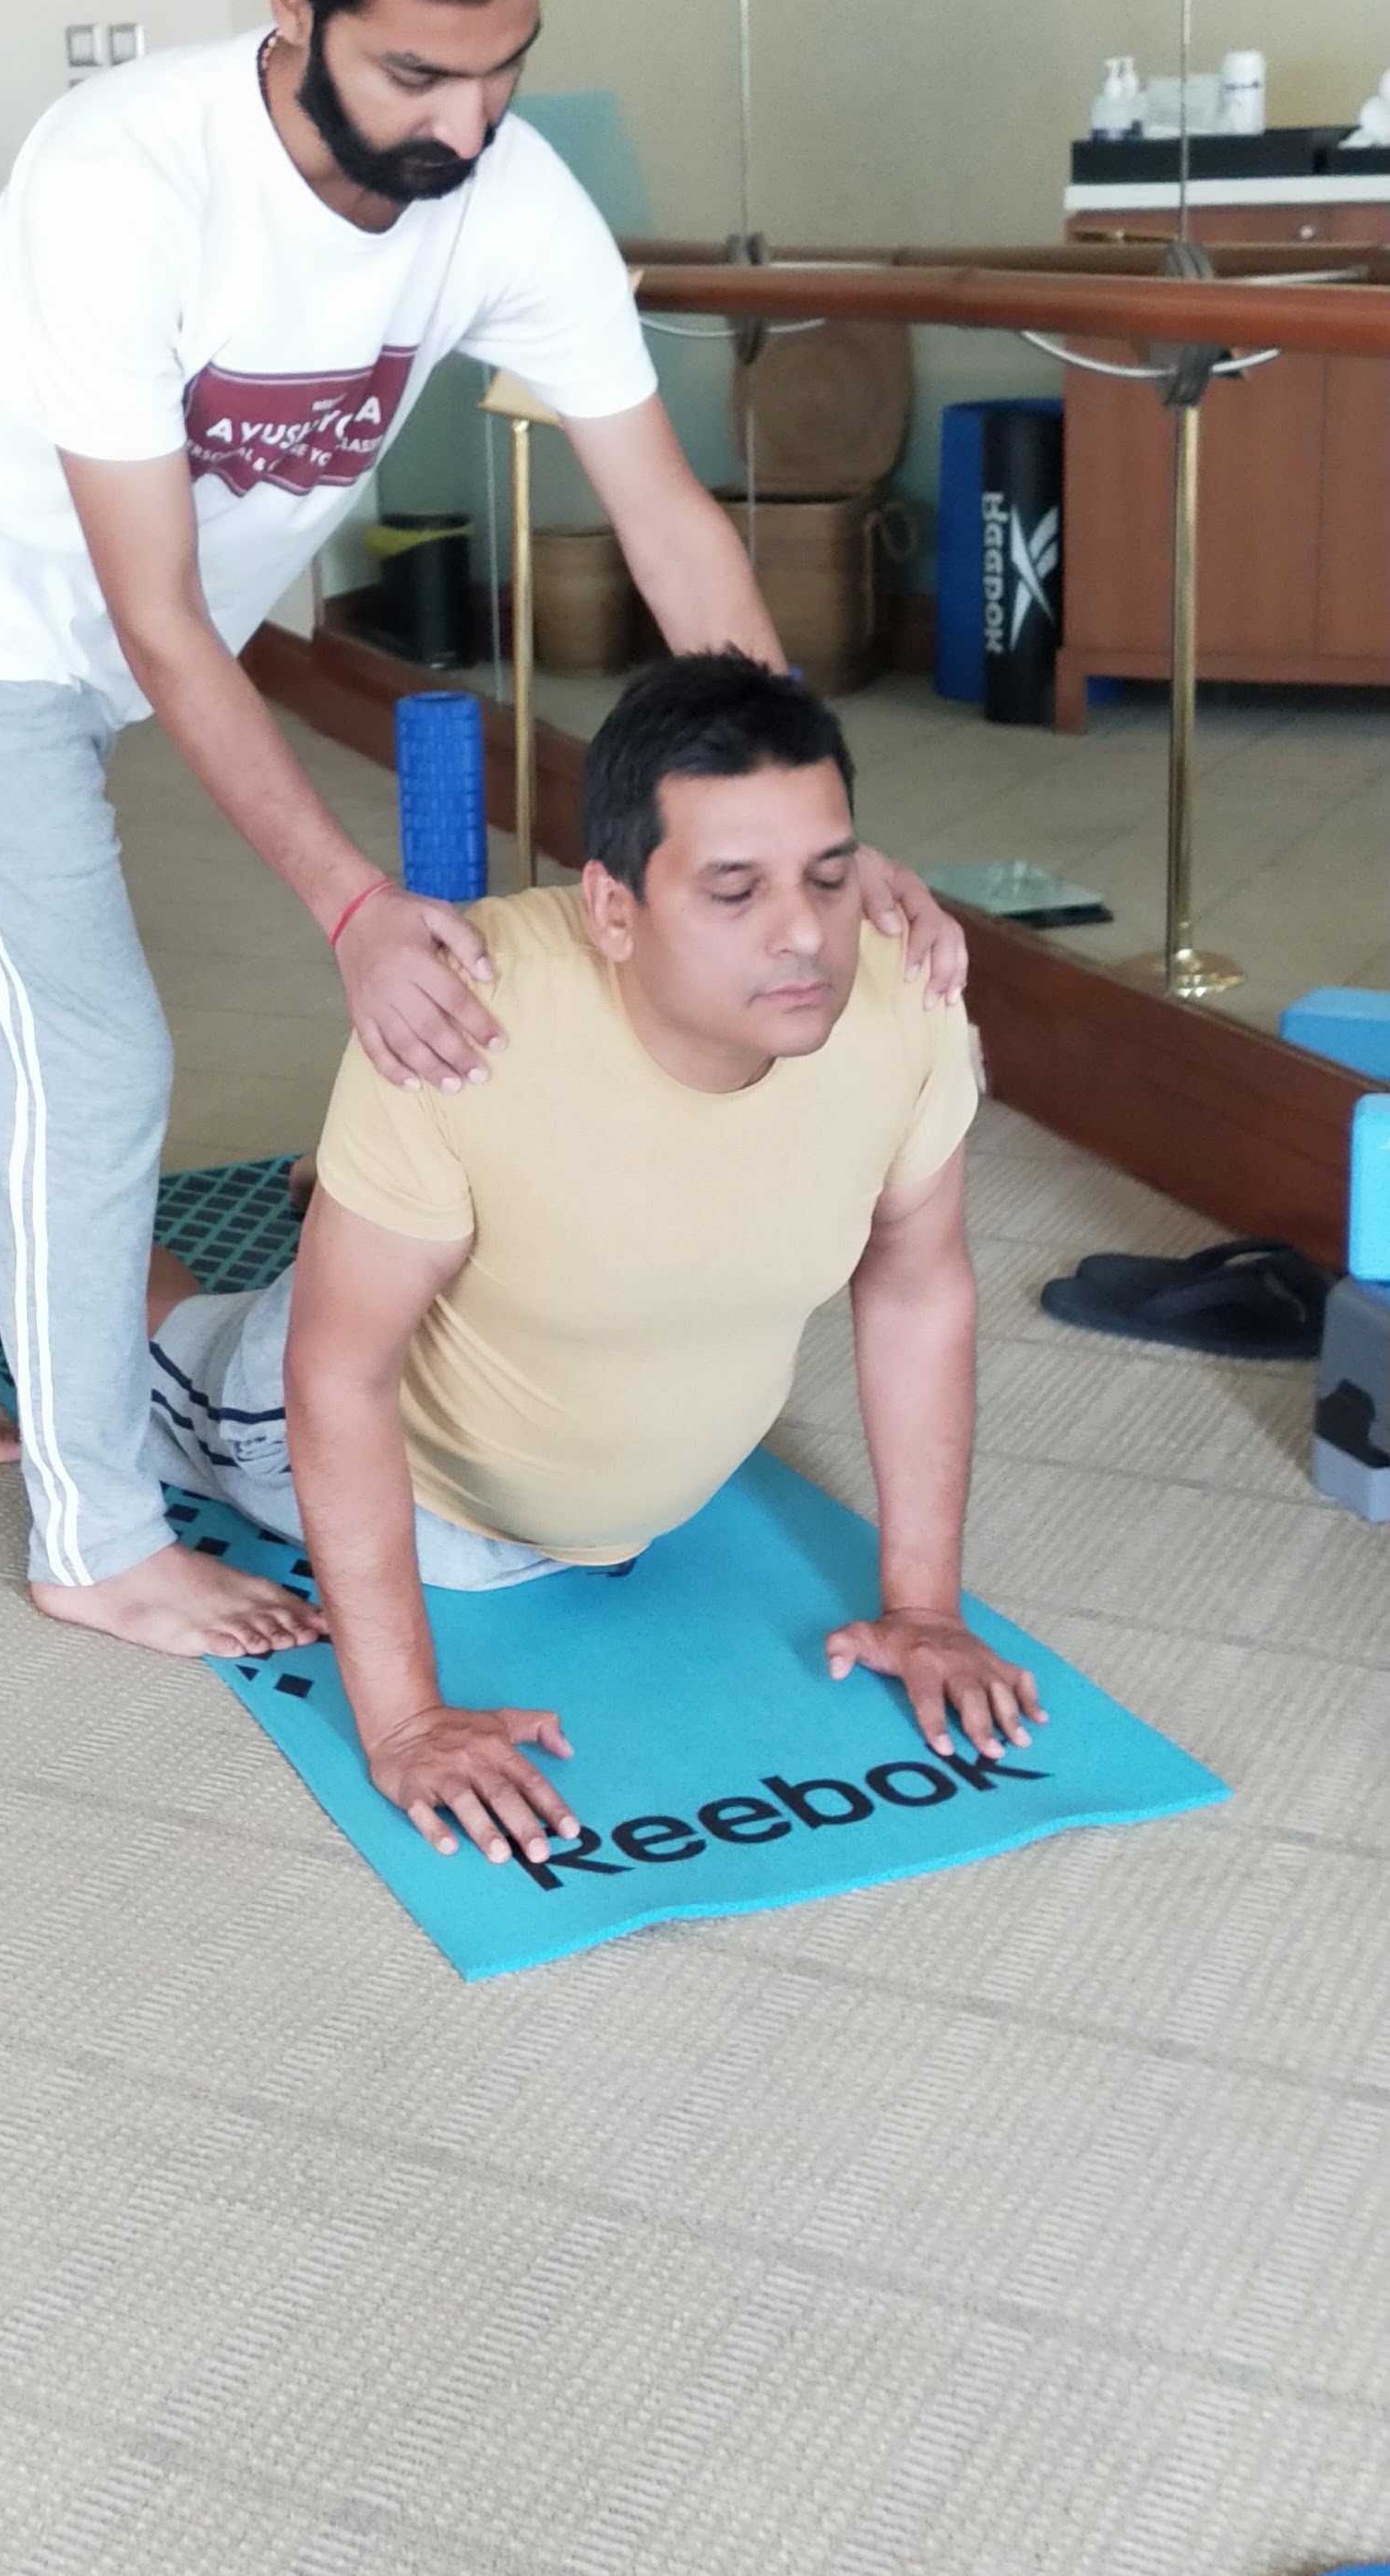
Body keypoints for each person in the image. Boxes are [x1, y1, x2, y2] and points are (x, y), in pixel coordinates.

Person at [0, 0, 964, 1662]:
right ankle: (93, 1536)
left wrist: (803, 830)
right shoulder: (121, 180)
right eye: (415, 77)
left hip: (97, 635)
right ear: (290, 5)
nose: (466, 124)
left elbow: (666, 527)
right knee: (82, 1054)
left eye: (503, 67)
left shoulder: (509, 193)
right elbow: (156, 620)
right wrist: (342, 902)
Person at [148, 649, 1042, 1860]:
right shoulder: (466, 1017)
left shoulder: (904, 1002)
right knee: (144, 1334)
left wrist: (924, 1607)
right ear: (610, 908)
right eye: (733, 892)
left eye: (829, 879)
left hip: (604, 1459)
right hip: (419, 1484)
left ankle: (357, 1192)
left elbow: (918, 1289)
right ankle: (82, 1229)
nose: (803, 935)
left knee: (419, 1219)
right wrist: (405, 1716)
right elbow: (334, 1378)